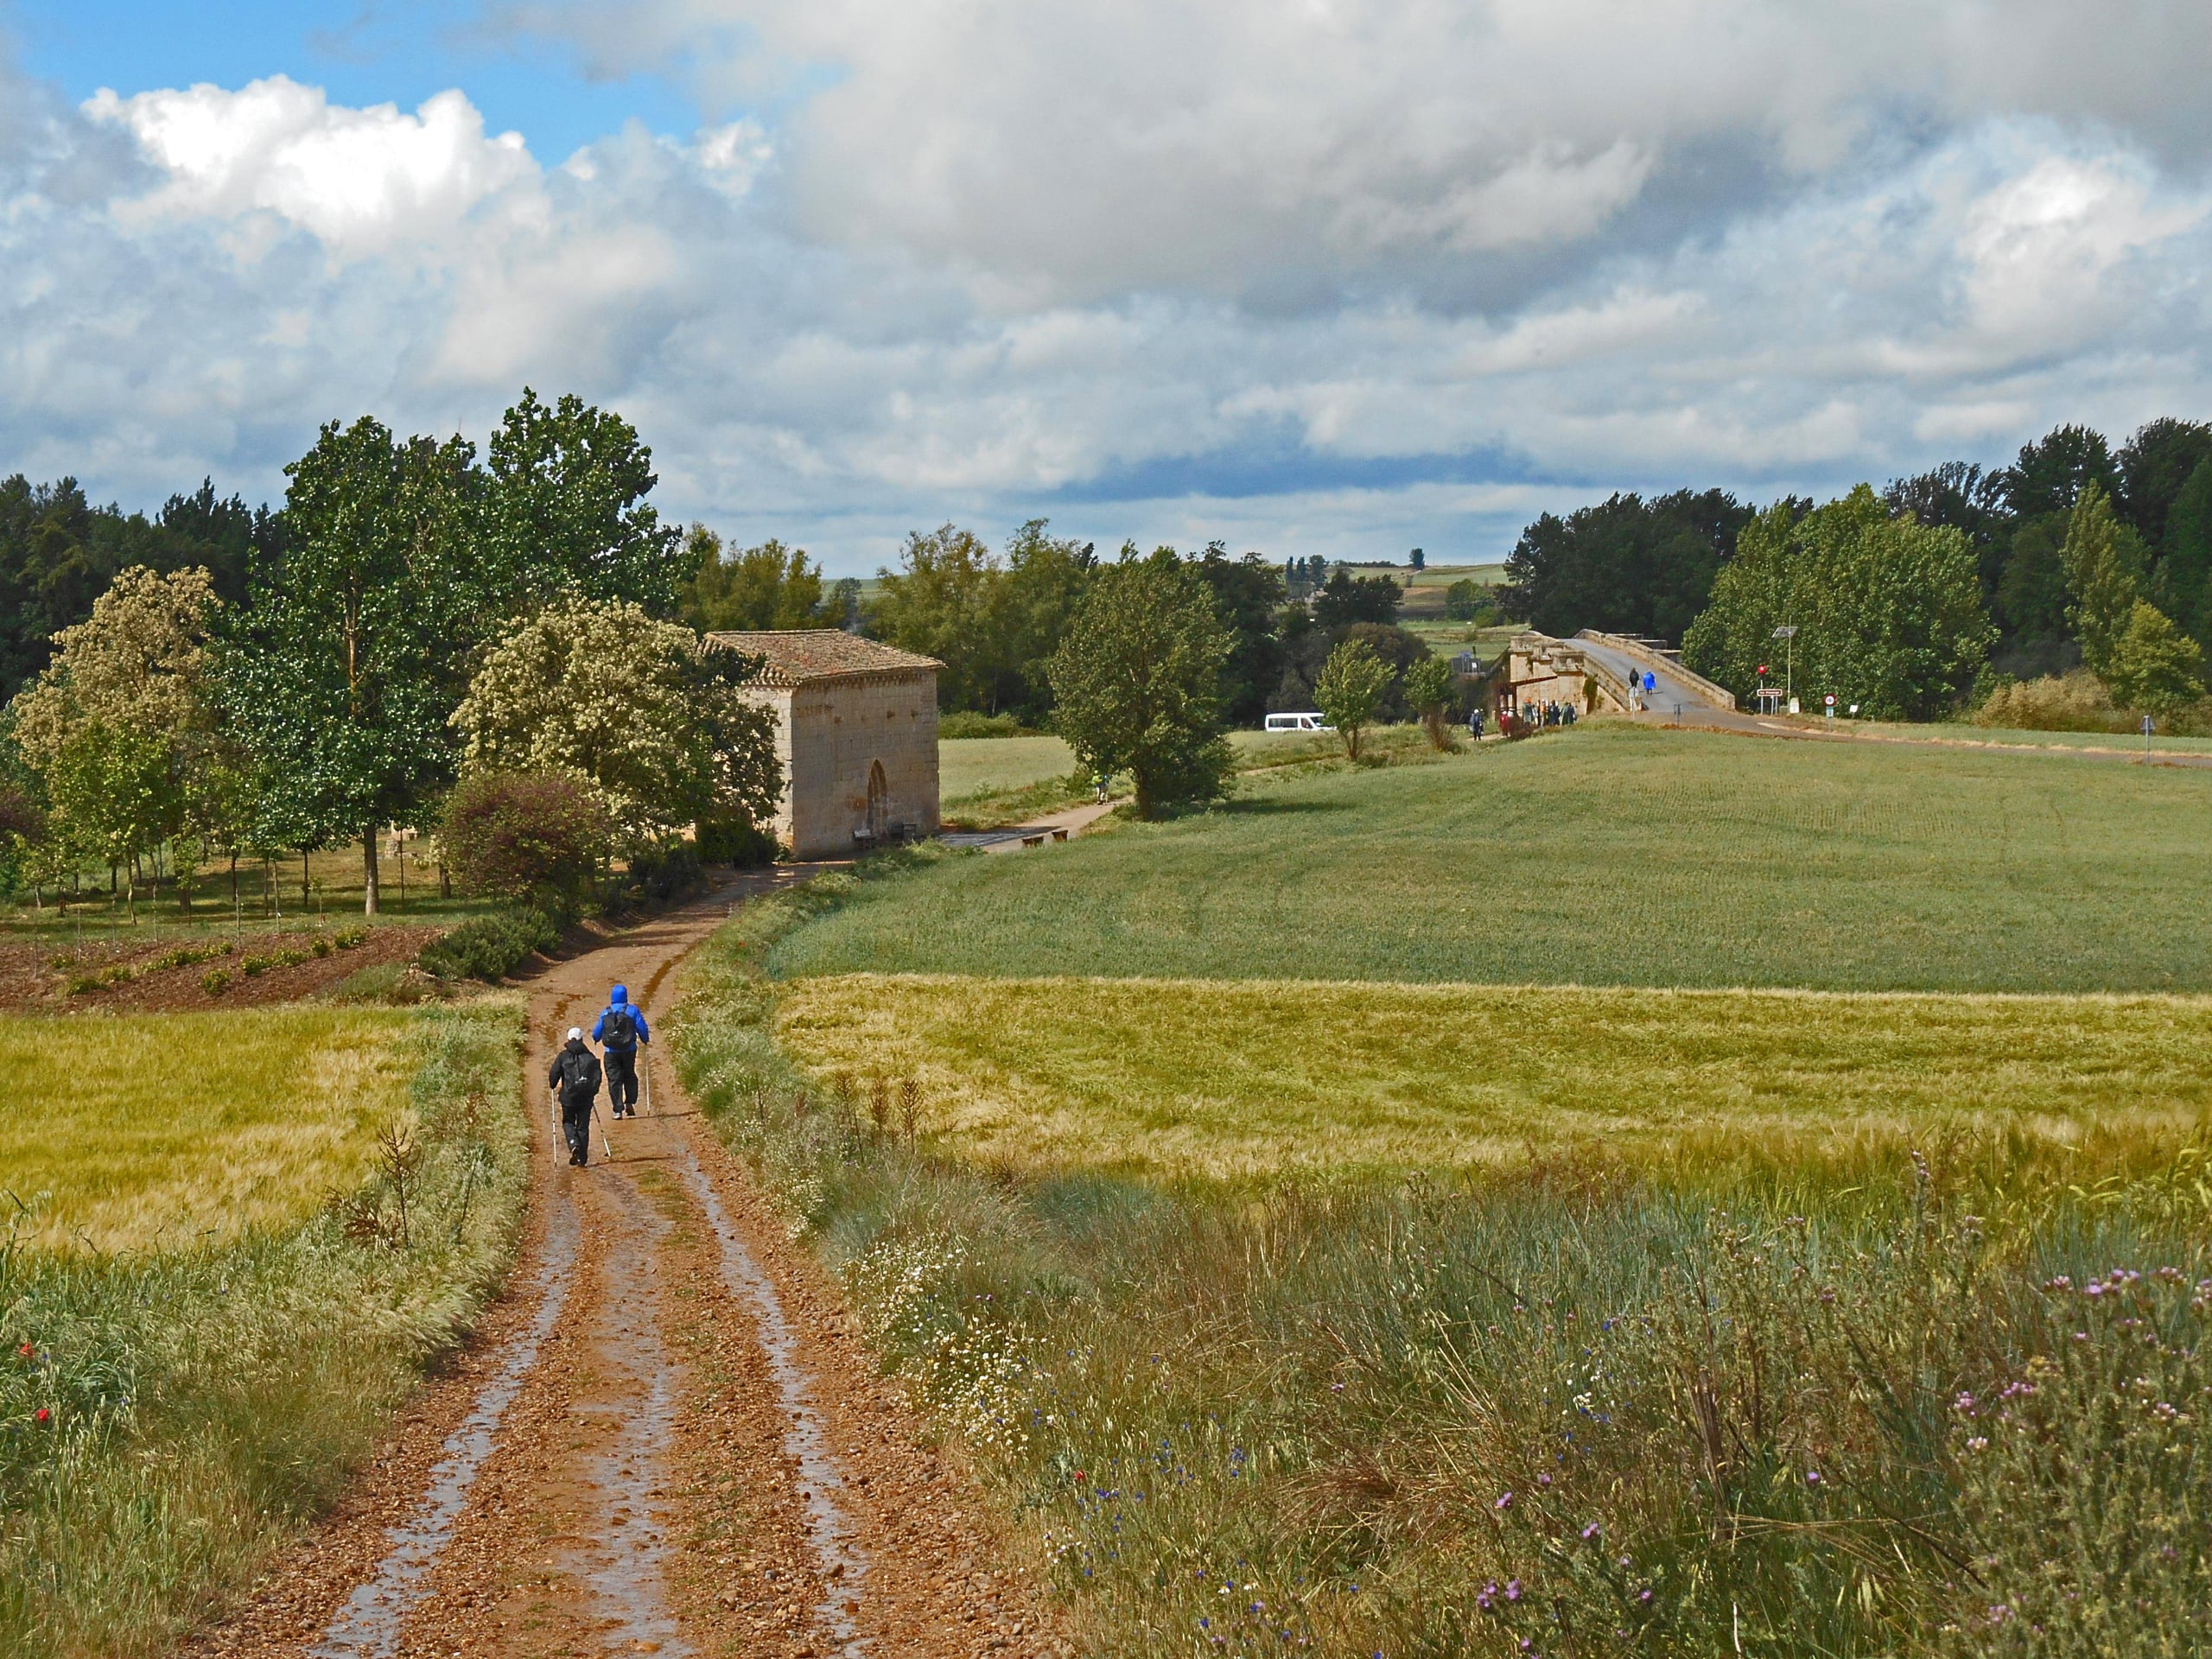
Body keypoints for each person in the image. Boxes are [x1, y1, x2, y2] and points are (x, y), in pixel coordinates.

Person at [593, 983, 652, 1119]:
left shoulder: (606, 1012)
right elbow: (642, 1028)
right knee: (629, 1075)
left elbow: (597, 1032)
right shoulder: (632, 1011)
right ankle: (630, 1102)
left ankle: (617, 1110)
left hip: (610, 1051)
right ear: (625, 996)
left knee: (614, 1079)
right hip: (629, 1050)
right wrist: (645, 1039)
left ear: (612, 997)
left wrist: (596, 1039)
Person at [548, 1027, 602, 1166]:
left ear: (568, 1040)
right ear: (582, 1039)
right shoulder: (589, 1056)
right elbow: (597, 1076)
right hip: (586, 1098)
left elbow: (554, 1074)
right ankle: (582, 1159)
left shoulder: (563, 1056)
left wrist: (553, 1085)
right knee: (583, 1127)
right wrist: (592, 1092)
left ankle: (574, 1145)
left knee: (568, 1122)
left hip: (569, 1098)